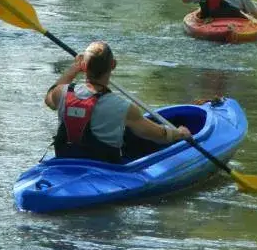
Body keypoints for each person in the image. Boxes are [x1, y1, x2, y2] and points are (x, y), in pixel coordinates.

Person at [44, 41, 191, 163]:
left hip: (64, 162)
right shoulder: (122, 107)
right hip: (104, 169)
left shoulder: (61, 93)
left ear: (84, 67)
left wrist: (74, 69)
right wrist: (179, 133)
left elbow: (49, 98)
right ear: (113, 64)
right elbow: (157, 135)